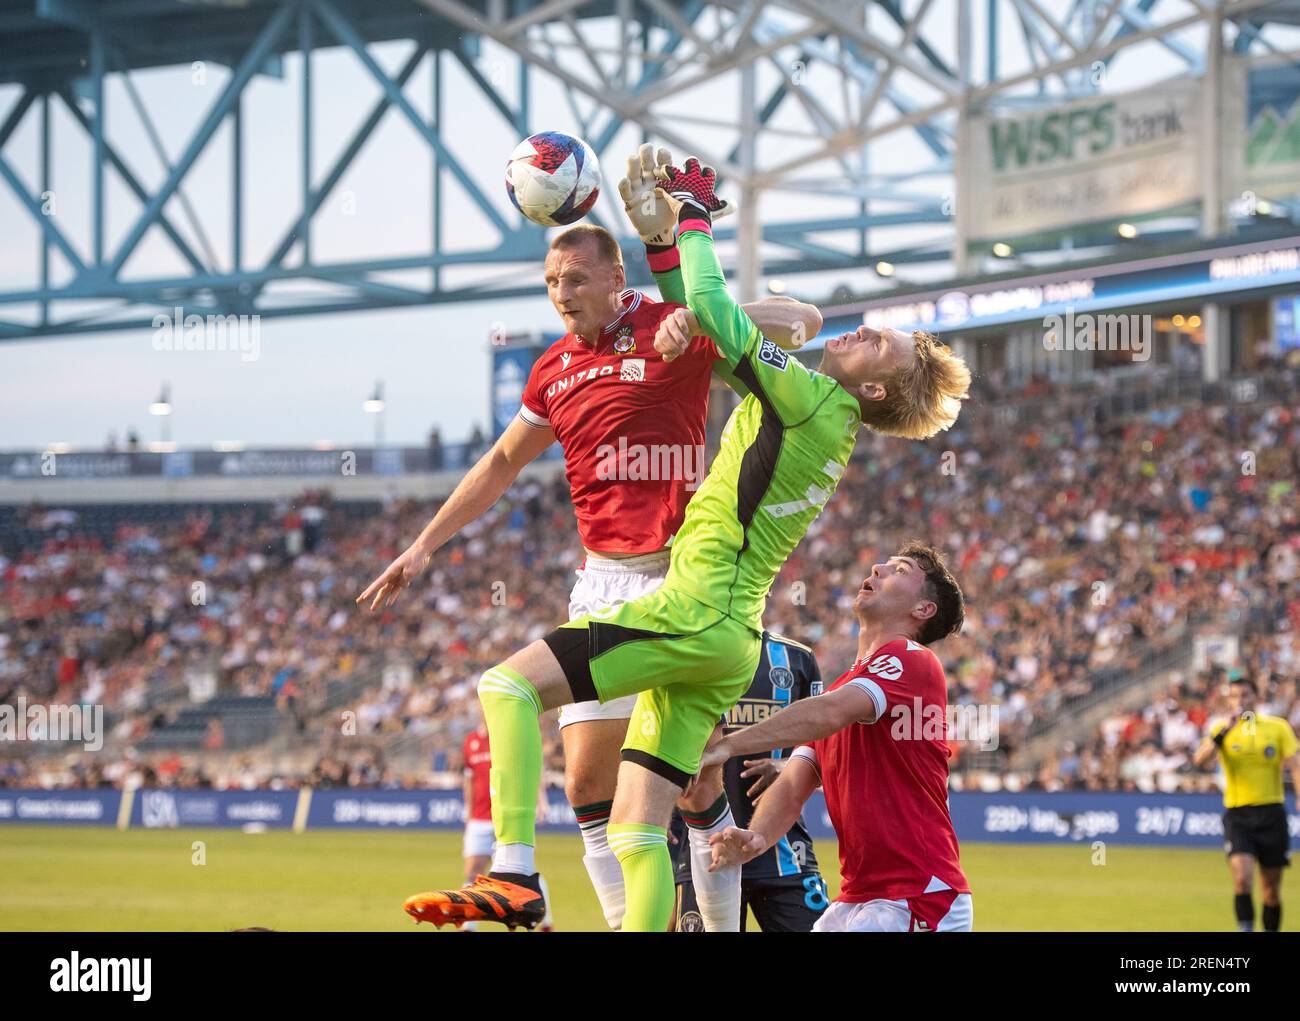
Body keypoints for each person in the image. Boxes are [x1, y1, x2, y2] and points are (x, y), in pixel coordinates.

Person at [375, 159, 971, 932]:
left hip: (693, 608)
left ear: (879, 388)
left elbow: (721, 311)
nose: (863, 331)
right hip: (723, 631)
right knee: (634, 825)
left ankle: (516, 874)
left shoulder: (814, 398)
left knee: (507, 688)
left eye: (878, 344)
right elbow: (708, 327)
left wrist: (691, 219)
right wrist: (666, 246)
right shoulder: (820, 410)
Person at [704, 544, 973, 932]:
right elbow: (795, 781)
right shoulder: (849, 688)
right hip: (861, 900)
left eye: (900, 569)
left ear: (923, 610)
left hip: (917, 896)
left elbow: (828, 712)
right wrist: (756, 838)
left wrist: (728, 744)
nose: (878, 567)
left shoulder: (912, 659)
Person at [669, 631, 830, 932]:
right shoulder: (685, 651)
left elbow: (825, 746)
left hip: (784, 851)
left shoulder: (798, 658)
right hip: (705, 851)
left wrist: (786, 764)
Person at [1192, 673, 1300, 932]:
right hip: (1238, 815)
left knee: (1270, 890)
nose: (1239, 700)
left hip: (1272, 813)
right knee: (1242, 879)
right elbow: (1200, 761)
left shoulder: (1277, 727)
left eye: (1245, 695)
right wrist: (1224, 733)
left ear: (1256, 698)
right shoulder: (1221, 729)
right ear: (1228, 700)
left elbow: (1295, 765)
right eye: (1234, 696)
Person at [459, 714, 554, 932]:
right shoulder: (471, 742)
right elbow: (469, 781)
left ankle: (547, 922)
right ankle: (468, 926)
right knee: (473, 870)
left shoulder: (507, 735)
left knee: (525, 872)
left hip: (507, 814)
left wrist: (541, 799)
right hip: (479, 817)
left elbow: (531, 766)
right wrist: (468, 813)